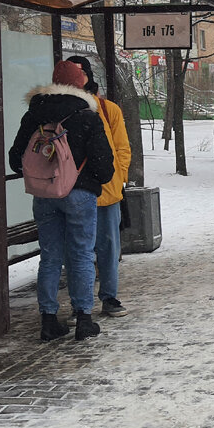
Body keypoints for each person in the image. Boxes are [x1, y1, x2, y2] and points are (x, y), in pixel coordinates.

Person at [8, 61, 115, 342]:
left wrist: (45, 172)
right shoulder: (87, 115)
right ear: (80, 84)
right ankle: (83, 318)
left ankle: (49, 319)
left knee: (50, 255)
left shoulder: (34, 114)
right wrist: (86, 177)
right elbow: (105, 166)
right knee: (80, 254)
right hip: (79, 194)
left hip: (44, 195)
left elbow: (16, 157)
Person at [66, 56, 132, 318]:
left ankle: (109, 296)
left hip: (106, 191)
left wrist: (118, 179)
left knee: (108, 247)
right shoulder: (62, 108)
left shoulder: (107, 109)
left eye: (79, 72)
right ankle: (80, 304)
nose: (75, 77)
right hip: (74, 191)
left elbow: (122, 148)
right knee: (78, 251)